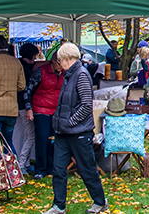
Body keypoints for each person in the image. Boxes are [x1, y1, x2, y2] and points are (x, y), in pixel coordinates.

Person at [43, 43, 108, 214]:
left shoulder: (81, 75)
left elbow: (86, 105)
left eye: (60, 60)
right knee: (58, 169)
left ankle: (100, 201)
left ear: (67, 58)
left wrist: (70, 122)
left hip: (79, 132)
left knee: (87, 168)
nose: (58, 64)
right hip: (63, 132)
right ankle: (59, 206)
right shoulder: (69, 75)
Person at [24, 50, 64, 180]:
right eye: (59, 62)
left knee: (55, 140)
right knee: (42, 138)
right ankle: (40, 169)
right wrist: (28, 108)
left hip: (57, 110)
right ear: (53, 61)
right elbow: (28, 90)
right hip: (41, 109)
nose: (62, 65)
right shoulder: (41, 72)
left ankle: (51, 168)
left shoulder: (66, 73)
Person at [15, 43, 39, 174]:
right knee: (30, 135)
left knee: (25, 134)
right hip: (24, 105)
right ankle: (22, 163)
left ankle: (26, 162)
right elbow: (27, 90)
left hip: (18, 104)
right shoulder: (26, 70)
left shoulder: (18, 65)